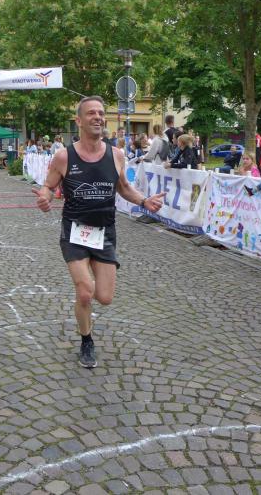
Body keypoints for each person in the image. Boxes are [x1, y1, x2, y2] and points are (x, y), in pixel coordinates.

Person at [33, 96, 165, 368]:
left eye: (101, 113)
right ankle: (86, 340)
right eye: (91, 113)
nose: (98, 117)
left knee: (104, 297)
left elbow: (124, 187)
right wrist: (45, 197)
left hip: (104, 232)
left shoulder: (116, 155)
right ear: (79, 121)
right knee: (85, 291)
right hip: (74, 231)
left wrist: (144, 201)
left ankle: (87, 306)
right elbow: (48, 186)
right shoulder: (64, 156)